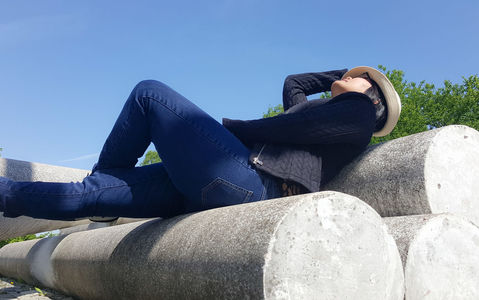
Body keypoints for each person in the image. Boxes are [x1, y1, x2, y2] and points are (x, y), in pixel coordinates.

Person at [0, 66, 401, 221]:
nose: (353, 73)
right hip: (228, 182)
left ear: (374, 99)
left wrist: (233, 129)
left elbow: (292, 130)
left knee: (149, 94)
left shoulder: (358, 113)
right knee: (91, 195)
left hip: (254, 182)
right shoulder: (326, 111)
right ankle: (7, 195)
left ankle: (105, 176)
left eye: (362, 74)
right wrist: (343, 71)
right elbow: (293, 84)